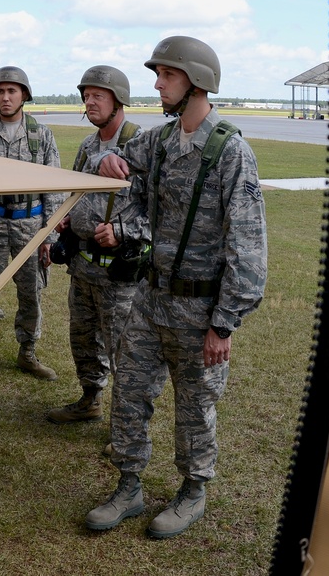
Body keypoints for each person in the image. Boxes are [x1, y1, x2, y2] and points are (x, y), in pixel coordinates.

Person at [82, 36, 267, 538]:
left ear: (197, 81)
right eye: (158, 74)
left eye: (167, 75)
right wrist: (108, 166)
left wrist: (223, 325)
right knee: (130, 393)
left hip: (202, 309)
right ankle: (129, 485)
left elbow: (247, 251)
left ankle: (192, 491)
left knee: (195, 407)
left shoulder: (230, 152)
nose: (157, 84)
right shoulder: (159, 141)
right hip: (150, 298)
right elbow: (131, 185)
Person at [46, 66, 148, 425]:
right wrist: (66, 217)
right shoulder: (90, 145)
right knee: (83, 340)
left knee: (124, 350)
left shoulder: (140, 144)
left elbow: (162, 212)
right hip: (83, 266)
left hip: (119, 274)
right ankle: (90, 400)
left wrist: (122, 230)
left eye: (97, 96)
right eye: (86, 96)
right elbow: (77, 191)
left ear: (118, 101)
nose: (89, 102)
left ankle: (125, 425)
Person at [0, 66, 62, 387]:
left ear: (24, 95)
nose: (6, 98)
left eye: (12, 91)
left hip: (30, 225)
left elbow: (55, 187)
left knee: (31, 292)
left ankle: (28, 351)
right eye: (0, 92)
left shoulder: (40, 135)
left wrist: (50, 235)